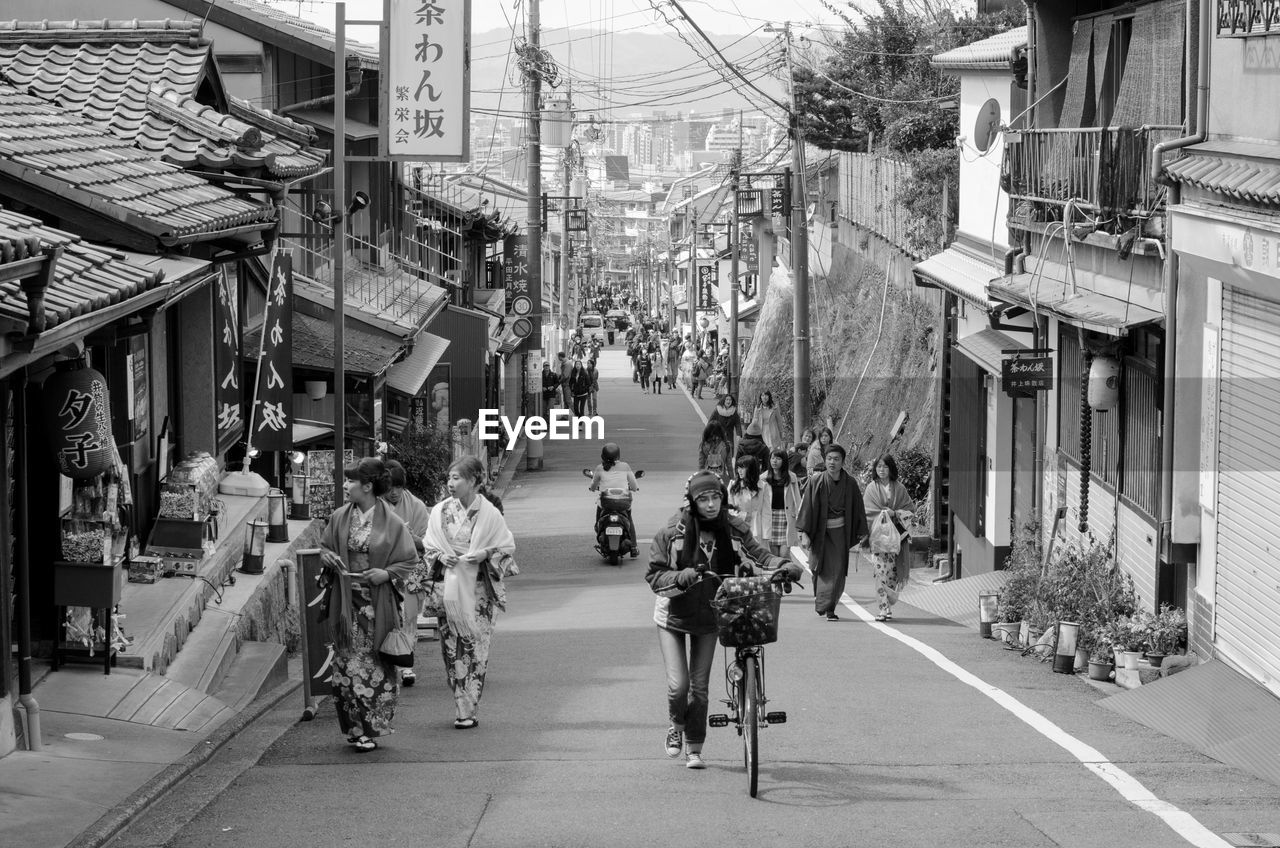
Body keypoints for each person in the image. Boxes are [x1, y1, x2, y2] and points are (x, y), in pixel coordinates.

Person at [646, 470, 802, 769]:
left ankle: (694, 748)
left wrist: (784, 564)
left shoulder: (732, 527)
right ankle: (676, 724)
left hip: (710, 614)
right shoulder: (673, 532)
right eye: (702, 499)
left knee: (699, 686)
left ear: (723, 498)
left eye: (715, 497)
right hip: (673, 616)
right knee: (678, 686)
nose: (710, 504)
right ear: (691, 502)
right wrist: (682, 576)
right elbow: (655, 577)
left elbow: (758, 555)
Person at [317, 457, 420, 751]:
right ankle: (354, 728)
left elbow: (410, 559)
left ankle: (370, 727)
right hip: (346, 600)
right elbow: (325, 546)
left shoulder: (392, 522)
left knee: (374, 663)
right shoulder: (340, 516)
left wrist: (386, 573)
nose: (345, 485)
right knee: (346, 664)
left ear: (367, 486)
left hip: (376, 602)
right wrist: (327, 557)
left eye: (350, 481)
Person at [421, 457, 518, 729]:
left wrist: (485, 553)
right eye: (449, 478)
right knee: (452, 647)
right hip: (451, 585)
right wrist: (441, 555)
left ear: (474, 481)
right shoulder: (439, 512)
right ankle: (460, 696)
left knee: (476, 646)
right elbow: (429, 545)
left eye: (457, 478)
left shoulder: (490, 513)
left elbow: (506, 548)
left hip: (479, 590)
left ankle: (467, 708)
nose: (450, 484)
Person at [797, 443, 869, 621]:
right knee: (817, 568)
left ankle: (829, 607)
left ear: (843, 462)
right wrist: (804, 532)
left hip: (840, 534)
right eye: (829, 459)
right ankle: (823, 601)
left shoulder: (850, 482)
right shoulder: (816, 481)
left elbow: (858, 508)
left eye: (836, 459)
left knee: (836, 572)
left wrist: (862, 531)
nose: (832, 462)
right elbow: (806, 508)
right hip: (819, 533)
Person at [383, 459, 431, 686]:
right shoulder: (375, 505)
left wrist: (411, 537)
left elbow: (428, 544)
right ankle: (388, 660)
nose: (394, 493)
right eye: (390, 488)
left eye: (398, 488)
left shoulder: (417, 506)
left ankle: (406, 664)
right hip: (382, 569)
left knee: (408, 618)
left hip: (409, 570)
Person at [863, 453, 916, 621]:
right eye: (879, 466)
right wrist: (884, 513)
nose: (882, 470)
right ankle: (883, 608)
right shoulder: (871, 488)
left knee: (892, 574)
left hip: (896, 538)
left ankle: (888, 603)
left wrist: (896, 513)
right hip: (878, 538)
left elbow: (910, 510)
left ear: (891, 468)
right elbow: (867, 511)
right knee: (880, 573)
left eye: (885, 466)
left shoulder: (899, 488)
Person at [588, 442, 639, 542]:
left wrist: (592, 488)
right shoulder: (625, 466)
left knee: (599, 514)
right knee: (629, 520)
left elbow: (593, 485)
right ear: (618, 455)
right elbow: (634, 485)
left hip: (606, 502)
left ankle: (599, 529)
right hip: (623, 502)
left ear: (603, 456)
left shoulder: (599, 468)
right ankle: (633, 546)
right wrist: (634, 488)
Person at [762, 448, 802, 556]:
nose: (774, 461)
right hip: (769, 517)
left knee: (784, 554)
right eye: (772, 458)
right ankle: (781, 572)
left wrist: (800, 520)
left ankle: (788, 571)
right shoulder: (763, 478)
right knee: (773, 555)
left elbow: (797, 499)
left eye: (778, 458)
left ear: (784, 461)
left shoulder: (791, 477)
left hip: (786, 517)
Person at [727, 454, 765, 539]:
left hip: (758, 529)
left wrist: (766, 534)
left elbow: (767, 511)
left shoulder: (763, 486)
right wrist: (744, 516)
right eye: (738, 468)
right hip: (738, 528)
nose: (739, 471)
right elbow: (728, 508)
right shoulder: (733, 485)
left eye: (742, 468)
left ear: (751, 469)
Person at [696, 420, 731, 487]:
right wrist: (732, 481)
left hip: (708, 480)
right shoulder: (727, 445)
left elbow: (701, 466)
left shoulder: (703, 445)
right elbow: (729, 467)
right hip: (723, 480)